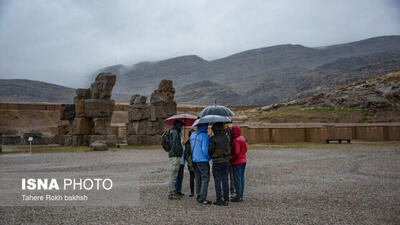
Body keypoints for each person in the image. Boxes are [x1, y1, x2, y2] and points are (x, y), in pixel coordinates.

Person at [209, 123, 230, 206]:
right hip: (226, 160)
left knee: (217, 180)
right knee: (225, 180)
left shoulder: (213, 138)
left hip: (217, 161)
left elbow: (210, 150)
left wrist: (211, 156)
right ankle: (226, 199)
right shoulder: (226, 137)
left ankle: (219, 199)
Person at [190, 123, 211, 205]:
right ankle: (202, 198)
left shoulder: (193, 134)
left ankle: (198, 195)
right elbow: (204, 149)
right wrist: (208, 157)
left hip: (194, 159)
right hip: (202, 160)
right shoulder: (204, 136)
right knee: (205, 178)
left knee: (198, 178)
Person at [167, 120, 184, 200]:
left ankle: (172, 192)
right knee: (173, 176)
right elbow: (175, 145)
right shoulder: (175, 133)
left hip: (172, 155)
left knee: (173, 176)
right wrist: (179, 152)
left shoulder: (171, 132)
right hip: (175, 156)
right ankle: (171, 194)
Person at [230, 126, 247, 202]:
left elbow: (236, 152)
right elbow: (245, 149)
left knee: (237, 179)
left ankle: (238, 196)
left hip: (237, 162)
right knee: (241, 178)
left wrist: (232, 157)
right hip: (243, 160)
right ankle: (241, 195)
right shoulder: (242, 138)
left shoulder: (236, 140)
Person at [224, 123, 235, 196]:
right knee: (225, 175)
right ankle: (226, 190)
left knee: (231, 175)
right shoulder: (222, 133)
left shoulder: (231, 133)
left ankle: (232, 189)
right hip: (225, 157)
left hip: (230, 156)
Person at [184, 129, 196, 197]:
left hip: (190, 162)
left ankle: (192, 192)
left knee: (192, 177)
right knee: (196, 177)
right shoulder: (192, 142)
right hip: (194, 161)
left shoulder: (187, 143)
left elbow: (186, 154)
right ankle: (196, 191)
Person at [175, 130, 186, 196]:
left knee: (180, 176)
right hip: (178, 159)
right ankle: (176, 190)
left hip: (182, 160)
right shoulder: (175, 135)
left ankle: (179, 190)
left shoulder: (181, 134)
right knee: (177, 176)